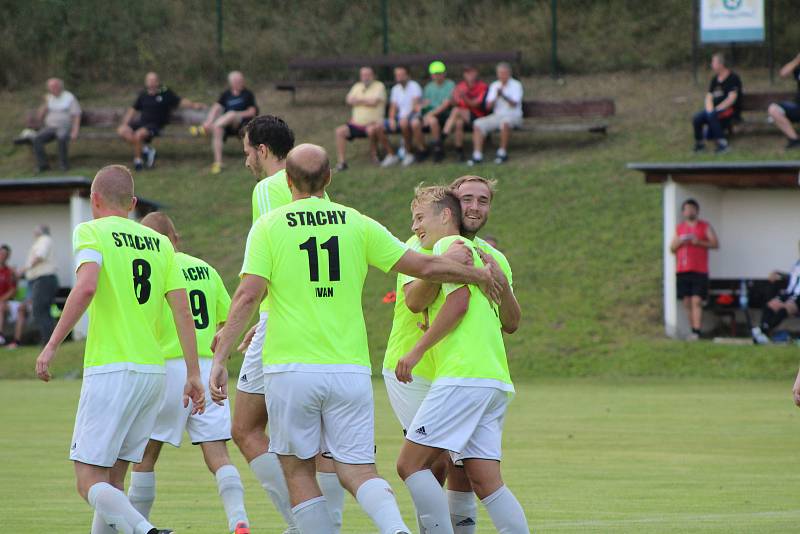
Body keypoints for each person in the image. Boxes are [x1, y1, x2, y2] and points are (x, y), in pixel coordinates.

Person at [208, 143, 502, 534]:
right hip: (349, 370)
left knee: (297, 469)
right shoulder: (357, 223)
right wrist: (478, 274)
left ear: (288, 181)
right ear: (329, 179)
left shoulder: (269, 225)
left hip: (290, 369)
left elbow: (248, 295)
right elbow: (427, 265)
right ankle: (396, 529)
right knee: (359, 470)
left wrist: (219, 357)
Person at [34, 164, 205, 534]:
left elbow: (86, 287)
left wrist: (51, 344)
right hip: (152, 374)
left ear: (94, 200)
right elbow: (182, 310)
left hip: (112, 369)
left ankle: (146, 531)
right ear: (132, 203)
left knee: (87, 481)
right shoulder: (160, 243)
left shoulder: (91, 231)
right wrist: (193, 373)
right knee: (113, 482)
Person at [232, 115, 345, 533]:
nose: (246, 161)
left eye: (247, 152)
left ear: (262, 150)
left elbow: (277, 257)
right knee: (314, 441)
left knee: (244, 427)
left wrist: (261, 316)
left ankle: (304, 524)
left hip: (284, 323)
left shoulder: (267, 189)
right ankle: (317, 522)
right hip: (324, 324)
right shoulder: (325, 193)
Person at [393, 187, 529, 534]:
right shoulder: (482, 253)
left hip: (462, 376)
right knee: (487, 482)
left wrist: (417, 349)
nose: (416, 226)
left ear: (445, 216)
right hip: (493, 379)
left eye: (421, 218)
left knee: (410, 465)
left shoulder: (446, 247)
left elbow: (459, 303)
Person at [127, 212, 249, 534]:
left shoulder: (152, 270)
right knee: (219, 454)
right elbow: (226, 321)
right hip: (207, 367)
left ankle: (139, 527)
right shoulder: (205, 269)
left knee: (145, 455)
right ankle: (239, 519)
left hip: (167, 367)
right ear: (176, 237)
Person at [117, 72, 204, 171]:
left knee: (138, 135)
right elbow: (132, 110)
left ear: (157, 81)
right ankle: (146, 150)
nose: (151, 82)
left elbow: (180, 101)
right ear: (146, 82)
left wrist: (194, 105)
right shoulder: (143, 95)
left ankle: (138, 162)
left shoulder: (166, 93)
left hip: (155, 125)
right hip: (142, 123)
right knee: (121, 130)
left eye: (153, 80)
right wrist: (125, 123)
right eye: (149, 80)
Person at [669, 199, 719, 341]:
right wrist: (679, 242)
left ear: (697, 211)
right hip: (683, 270)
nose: (690, 211)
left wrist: (699, 242)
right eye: (687, 209)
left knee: (697, 300)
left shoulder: (704, 226)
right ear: (683, 212)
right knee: (686, 302)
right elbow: (672, 249)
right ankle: (692, 330)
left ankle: (697, 331)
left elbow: (715, 243)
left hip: (699, 270)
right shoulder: (679, 228)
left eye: (692, 208)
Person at [198, 71, 259, 174]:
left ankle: (209, 127)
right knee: (218, 129)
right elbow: (216, 107)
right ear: (232, 83)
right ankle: (218, 162)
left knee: (231, 114)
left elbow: (252, 112)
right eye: (237, 81)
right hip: (226, 125)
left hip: (242, 123)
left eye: (241, 80)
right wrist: (208, 120)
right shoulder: (226, 94)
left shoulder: (247, 94)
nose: (240, 83)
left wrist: (237, 114)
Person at [468, 62, 524, 166]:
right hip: (497, 116)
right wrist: (496, 97)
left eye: (505, 73)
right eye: (500, 73)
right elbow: (489, 107)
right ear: (497, 74)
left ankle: (502, 153)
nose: (503, 75)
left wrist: (503, 95)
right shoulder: (494, 85)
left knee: (505, 123)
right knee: (477, 123)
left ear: (509, 73)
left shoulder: (516, 85)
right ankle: (477, 155)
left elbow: (514, 104)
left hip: (513, 115)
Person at [334, 67, 387, 171]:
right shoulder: (357, 86)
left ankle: (374, 155)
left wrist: (357, 100)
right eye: (363, 75)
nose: (365, 77)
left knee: (372, 130)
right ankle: (342, 162)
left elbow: (374, 102)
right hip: (355, 124)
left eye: (368, 75)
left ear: (373, 75)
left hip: (372, 124)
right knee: (339, 131)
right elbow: (348, 100)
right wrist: (366, 101)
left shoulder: (379, 86)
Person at [692, 53, 741, 154]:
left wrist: (717, 109)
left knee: (713, 115)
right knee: (697, 118)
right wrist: (709, 109)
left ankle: (723, 144)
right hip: (714, 111)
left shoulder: (733, 78)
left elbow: (731, 99)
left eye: (713, 62)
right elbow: (709, 96)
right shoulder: (715, 79)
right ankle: (700, 144)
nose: (711, 64)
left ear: (720, 64)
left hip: (730, 111)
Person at [375, 66, 423, 168]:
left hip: (412, 116)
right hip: (399, 118)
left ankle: (408, 153)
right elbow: (393, 107)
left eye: (401, 75)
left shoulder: (414, 86)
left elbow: (415, 106)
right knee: (378, 126)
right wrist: (392, 119)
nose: (399, 77)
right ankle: (391, 154)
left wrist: (405, 117)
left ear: (408, 75)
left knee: (403, 123)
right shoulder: (395, 89)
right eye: (397, 75)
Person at [752, 245, 800, 344]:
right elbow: (793, 278)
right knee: (771, 305)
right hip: (789, 293)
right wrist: (778, 273)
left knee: (785, 308)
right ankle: (763, 331)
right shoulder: (797, 263)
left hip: (798, 297)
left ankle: (763, 331)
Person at [31, 78, 82, 172]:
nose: (53, 89)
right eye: (51, 87)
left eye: (55, 86)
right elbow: (39, 116)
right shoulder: (49, 98)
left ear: (60, 86)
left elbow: (76, 115)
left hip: (64, 127)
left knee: (61, 137)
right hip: (50, 128)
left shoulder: (69, 97)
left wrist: (75, 131)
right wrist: (45, 103)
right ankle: (43, 165)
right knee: (36, 138)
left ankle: (64, 165)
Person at [19, 225, 58, 345]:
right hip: (43, 280)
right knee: (43, 311)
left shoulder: (44, 239)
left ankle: (48, 341)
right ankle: (50, 341)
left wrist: (25, 269)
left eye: (36, 229)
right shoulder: (43, 240)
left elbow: (40, 256)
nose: (34, 231)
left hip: (43, 280)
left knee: (40, 310)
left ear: (41, 231)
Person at [443, 67, 488, 161]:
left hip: (478, 116)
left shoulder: (482, 86)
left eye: (472, 72)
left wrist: (464, 97)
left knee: (456, 110)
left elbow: (476, 104)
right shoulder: (460, 86)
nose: (470, 75)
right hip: (463, 116)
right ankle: (459, 151)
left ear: (476, 73)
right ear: (464, 75)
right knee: (459, 123)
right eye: (467, 73)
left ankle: (443, 136)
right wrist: (452, 100)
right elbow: (456, 102)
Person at [413, 61, 455, 163]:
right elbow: (426, 103)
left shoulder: (450, 85)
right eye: (435, 74)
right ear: (432, 75)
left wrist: (429, 114)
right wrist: (419, 108)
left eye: (439, 73)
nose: (437, 76)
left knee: (432, 121)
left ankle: (438, 149)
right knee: (415, 123)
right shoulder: (429, 87)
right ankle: (422, 149)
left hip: (444, 114)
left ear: (444, 73)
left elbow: (446, 104)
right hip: (430, 114)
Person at [767, 52, 800, 150]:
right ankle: (794, 140)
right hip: (798, 107)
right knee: (773, 109)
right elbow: (783, 73)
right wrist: (796, 61)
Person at [0, 244, 16, 344]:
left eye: (5, 254)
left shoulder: (10, 272)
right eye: (1, 253)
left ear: (8, 256)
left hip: (6, 302)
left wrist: (1, 299)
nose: (2, 256)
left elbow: (13, 290)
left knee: (0, 306)